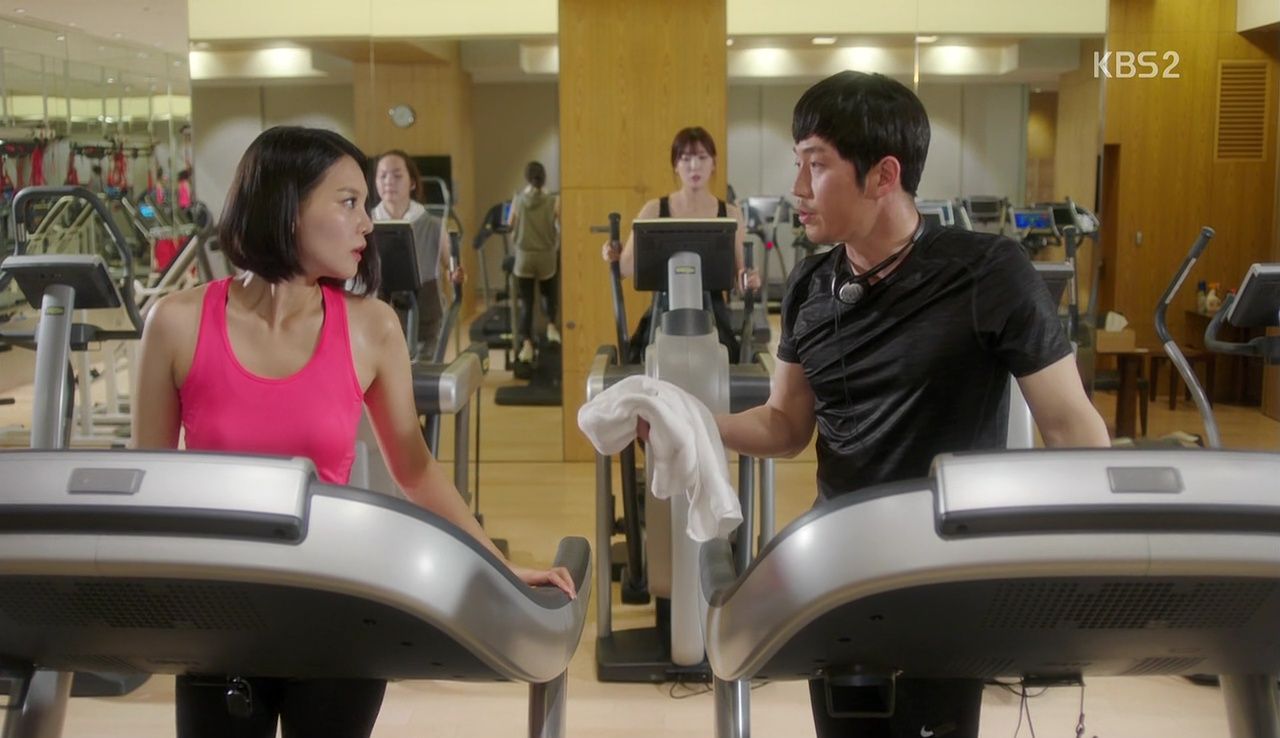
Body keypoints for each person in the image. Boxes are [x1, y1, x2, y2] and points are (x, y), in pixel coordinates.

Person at [132, 127, 574, 738]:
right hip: (223, 615)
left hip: (333, 604)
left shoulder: (372, 327)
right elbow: (149, 484)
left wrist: (497, 565)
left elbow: (415, 469)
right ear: (287, 208)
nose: (367, 223)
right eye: (348, 203)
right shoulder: (176, 323)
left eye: (365, 204)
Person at [713, 72, 1111, 737]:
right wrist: (698, 425)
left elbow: (1073, 429)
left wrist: (1082, 575)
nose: (798, 187)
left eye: (817, 164)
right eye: (797, 163)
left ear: (883, 175)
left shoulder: (988, 272)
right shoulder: (811, 284)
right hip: (840, 564)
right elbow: (785, 424)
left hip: (942, 568)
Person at [602, 126, 760, 363]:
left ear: (713, 163)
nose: (694, 166)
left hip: (713, 318)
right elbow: (623, 269)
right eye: (685, 159)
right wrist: (612, 253)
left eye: (702, 157)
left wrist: (750, 280)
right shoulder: (653, 209)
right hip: (662, 315)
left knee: (729, 363)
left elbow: (740, 277)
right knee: (641, 361)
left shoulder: (730, 213)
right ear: (675, 165)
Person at [371, 150, 464, 359]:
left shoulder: (433, 225)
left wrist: (455, 274)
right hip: (379, 317)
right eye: (382, 176)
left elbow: (452, 267)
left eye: (397, 175)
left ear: (412, 183)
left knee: (421, 370)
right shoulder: (366, 224)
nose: (389, 181)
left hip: (425, 315)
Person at [508, 160, 560, 364]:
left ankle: (527, 345)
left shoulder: (518, 199)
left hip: (524, 257)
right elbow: (559, 225)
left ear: (527, 178)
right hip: (546, 256)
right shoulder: (554, 200)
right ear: (544, 177)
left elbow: (510, 224)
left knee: (527, 303)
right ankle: (551, 326)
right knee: (549, 293)